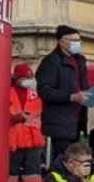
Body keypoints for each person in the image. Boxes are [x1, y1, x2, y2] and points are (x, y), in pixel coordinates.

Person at [0, 63, 46, 182]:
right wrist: (16, 118)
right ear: (17, 78)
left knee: (33, 177)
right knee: (10, 177)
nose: (28, 80)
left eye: (30, 77)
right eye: (26, 78)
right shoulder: (6, 94)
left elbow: (37, 118)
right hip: (12, 142)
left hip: (33, 143)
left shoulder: (34, 96)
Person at [35, 24, 89, 164]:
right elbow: (45, 91)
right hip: (58, 125)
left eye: (79, 40)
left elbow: (82, 85)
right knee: (64, 162)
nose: (78, 43)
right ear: (62, 41)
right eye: (74, 40)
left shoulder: (80, 60)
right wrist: (71, 97)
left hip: (78, 121)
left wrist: (90, 97)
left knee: (78, 162)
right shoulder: (51, 62)